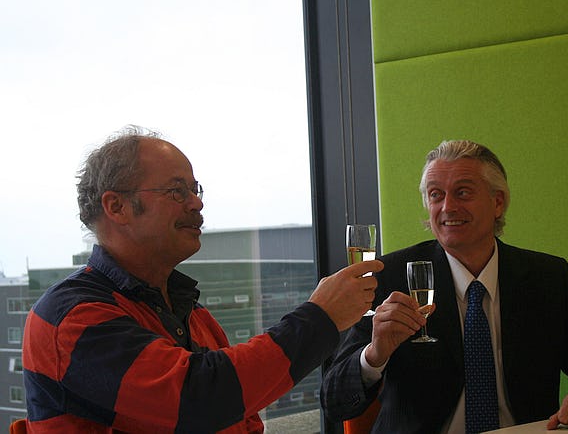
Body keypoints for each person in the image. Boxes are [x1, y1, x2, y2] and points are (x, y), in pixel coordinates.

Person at [21, 126, 383, 433]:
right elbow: (197, 399)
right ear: (116, 206)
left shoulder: (192, 313)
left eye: (196, 190)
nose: (196, 204)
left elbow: (241, 420)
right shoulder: (71, 317)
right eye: (177, 191)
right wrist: (319, 317)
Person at [321, 139, 568, 433]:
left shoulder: (547, 278)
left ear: (498, 203)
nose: (447, 207)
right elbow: (334, 400)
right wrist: (375, 355)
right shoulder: (390, 277)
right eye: (436, 194)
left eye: (463, 192)